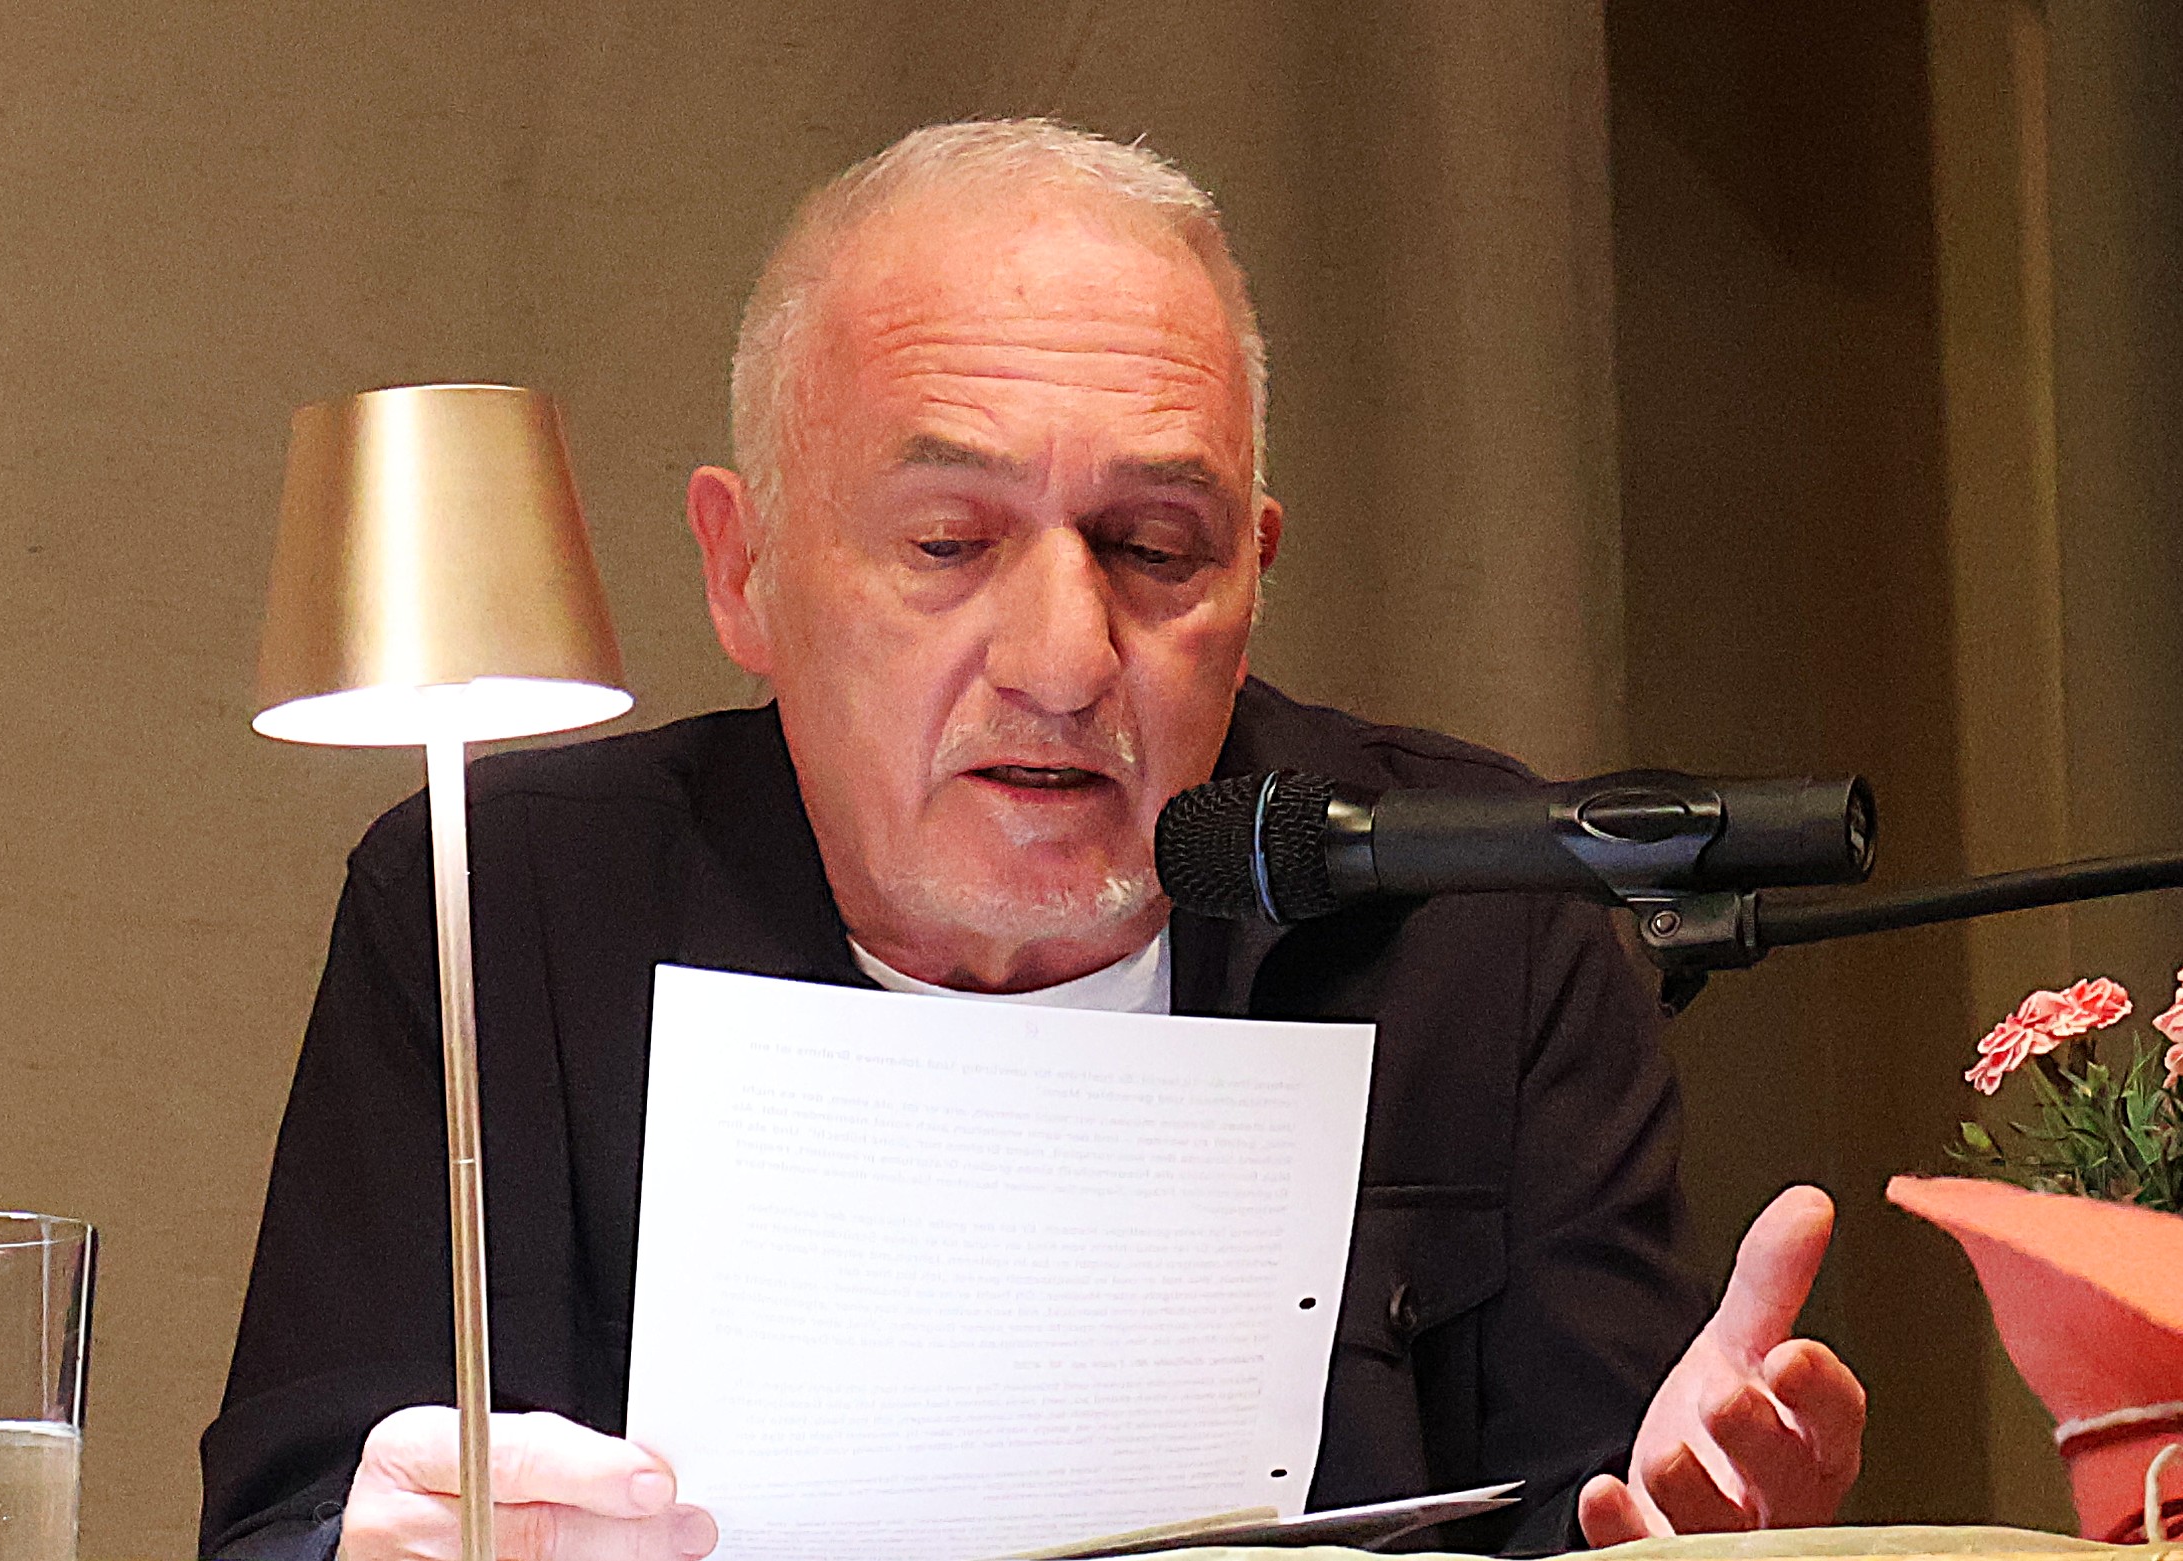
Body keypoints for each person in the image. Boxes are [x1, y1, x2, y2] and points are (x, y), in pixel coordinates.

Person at [200, 120, 1865, 1561]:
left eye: (1155, 548)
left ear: (1257, 570)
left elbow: (1607, 1508)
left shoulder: (1475, 919)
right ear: (743, 568)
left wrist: (1703, 1540)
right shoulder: (494, 911)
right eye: (948, 541)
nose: (1065, 661)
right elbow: (290, 1514)